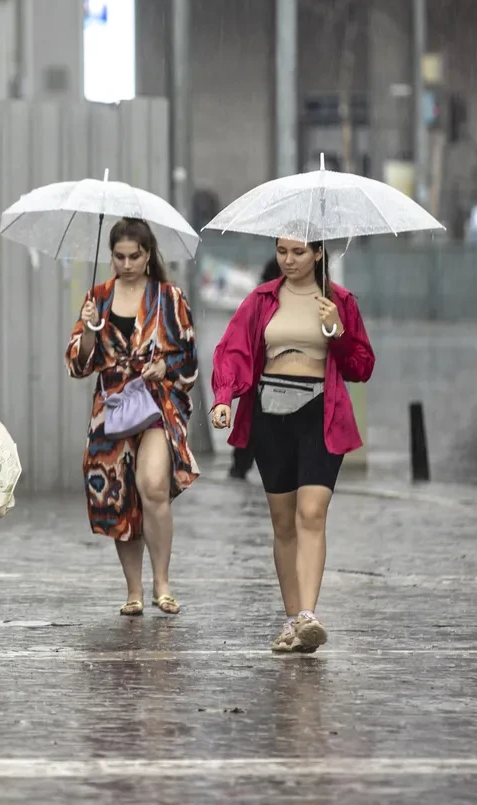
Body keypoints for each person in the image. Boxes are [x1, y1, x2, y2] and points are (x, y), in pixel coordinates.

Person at [209, 238, 375, 653]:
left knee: (312, 513)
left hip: (321, 413)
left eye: (298, 252)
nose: (288, 260)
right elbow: (231, 350)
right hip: (270, 414)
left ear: (318, 253)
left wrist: (336, 331)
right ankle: (291, 622)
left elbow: (361, 366)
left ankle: (307, 615)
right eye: (282, 251)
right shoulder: (261, 300)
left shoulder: (339, 301)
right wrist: (224, 398)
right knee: (283, 523)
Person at [66, 217, 200, 617]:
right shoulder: (98, 297)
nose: (127, 264)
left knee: (152, 485)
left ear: (148, 255)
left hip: (156, 403)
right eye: (120, 256)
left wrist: (164, 367)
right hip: (112, 407)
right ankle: (134, 590)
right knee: (119, 494)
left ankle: (163, 583)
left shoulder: (168, 297)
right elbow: (78, 365)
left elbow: (189, 358)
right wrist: (90, 328)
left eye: (135, 256)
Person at [229, 256, 285, 480]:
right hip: (262, 378)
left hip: (284, 380)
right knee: (253, 425)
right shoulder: (261, 301)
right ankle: (241, 467)